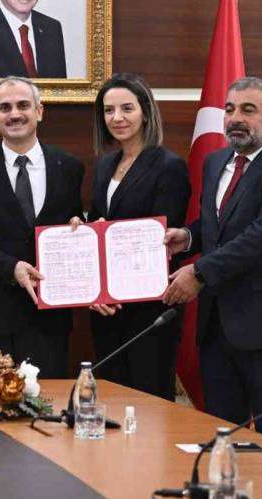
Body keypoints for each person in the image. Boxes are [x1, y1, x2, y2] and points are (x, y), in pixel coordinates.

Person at [163, 77, 262, 447]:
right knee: (223, 441)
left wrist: (200, 272)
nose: (235, 119)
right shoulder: (216, 162)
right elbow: (219, 226)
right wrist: (189, 237)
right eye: (229, 109)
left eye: (248, 110)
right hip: (217, 328)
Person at [0, 76, 83, 377]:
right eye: (5, 107)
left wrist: (80, 228)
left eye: (23, 105)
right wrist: (11, 267)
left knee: (49, 400)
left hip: (50, 318)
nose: (14, 114)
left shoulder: (69, 167)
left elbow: (72, 223)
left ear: (39, 111)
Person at [76, 73, 190, 400]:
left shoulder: (169, 165)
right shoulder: (105, 165)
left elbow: (161, 241)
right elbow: (102, 225)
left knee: (149, 404)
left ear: (146, 112)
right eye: (109, 110)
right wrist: (83, 229)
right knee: (111, 401)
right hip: (107, 310)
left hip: (148, 310)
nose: (117, 118)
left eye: (127, 108)